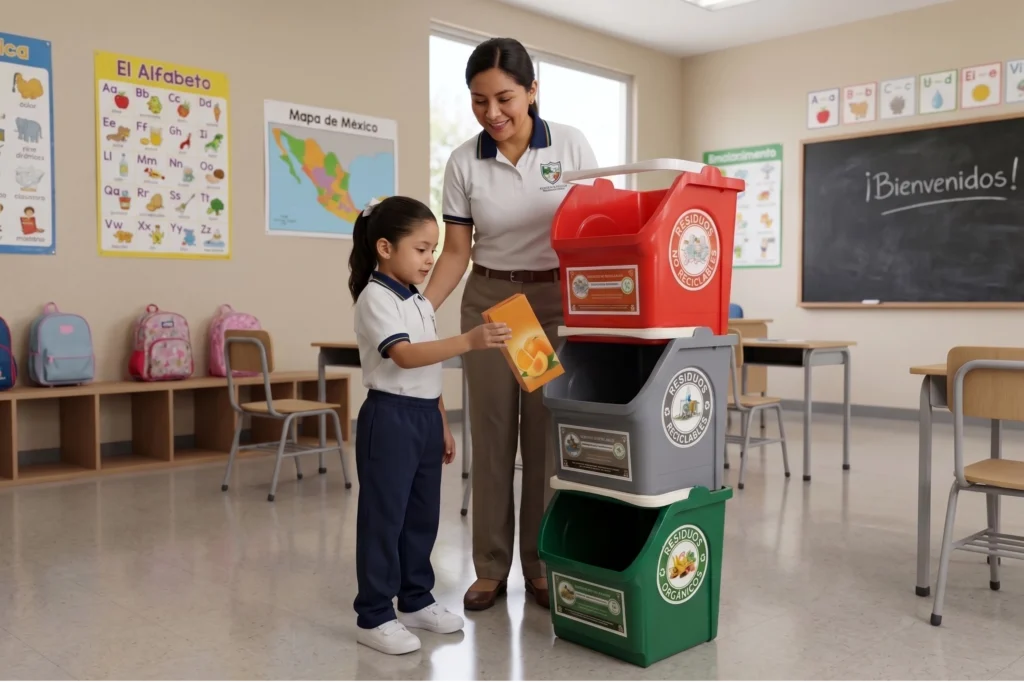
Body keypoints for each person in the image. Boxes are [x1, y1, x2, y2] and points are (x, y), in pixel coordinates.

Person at [424, 37, 599, 612]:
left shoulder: (569, 145)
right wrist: (419, 308)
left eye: (504, 98)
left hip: (551, 301)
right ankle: (491, 568)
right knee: (494, 436)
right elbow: (455, 250)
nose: (492, 114)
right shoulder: (463, 161)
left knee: (544, 438)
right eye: (478, 101)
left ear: (532, 92)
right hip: (493, 302)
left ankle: (542, 564)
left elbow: (594, 230)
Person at [348, 195, 512, 655]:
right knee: (385, 518)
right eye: (421, 249)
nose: (431, 259)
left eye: (433, 249)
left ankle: (416, 598)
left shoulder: (419, 302)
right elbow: (403, 355)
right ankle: (374, 613)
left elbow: (427, 368)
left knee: (420, 517)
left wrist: (441, 421)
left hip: (421, 417)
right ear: (385, 247)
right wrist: (470, 340)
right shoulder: (375, 298)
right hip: (390, 417)